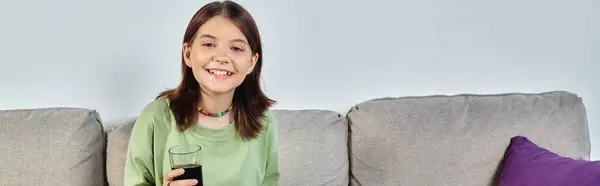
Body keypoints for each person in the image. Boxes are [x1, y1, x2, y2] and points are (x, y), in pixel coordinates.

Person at [123, 1, 279, 186]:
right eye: (209, 44)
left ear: (252, 62)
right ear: (188, 54)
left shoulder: (263, 121)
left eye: (236, 48)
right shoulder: (156, 117)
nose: (221, 57)